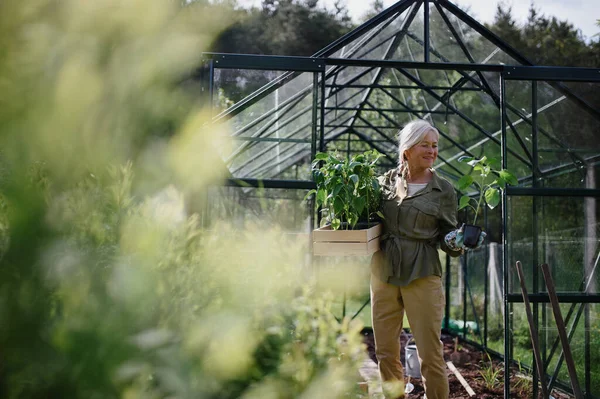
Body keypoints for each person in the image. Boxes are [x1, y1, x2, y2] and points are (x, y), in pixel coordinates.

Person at [370, 119, 483, 399]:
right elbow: (369, 222)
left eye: (435, 146)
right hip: (383, 271)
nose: (432, 151)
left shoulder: (443, 189)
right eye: (425, 145)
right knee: (385, 351)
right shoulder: (385, 182)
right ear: (407, 149)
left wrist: (456, 241)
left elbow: (446, 235)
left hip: (422, 272)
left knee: (430, 354)